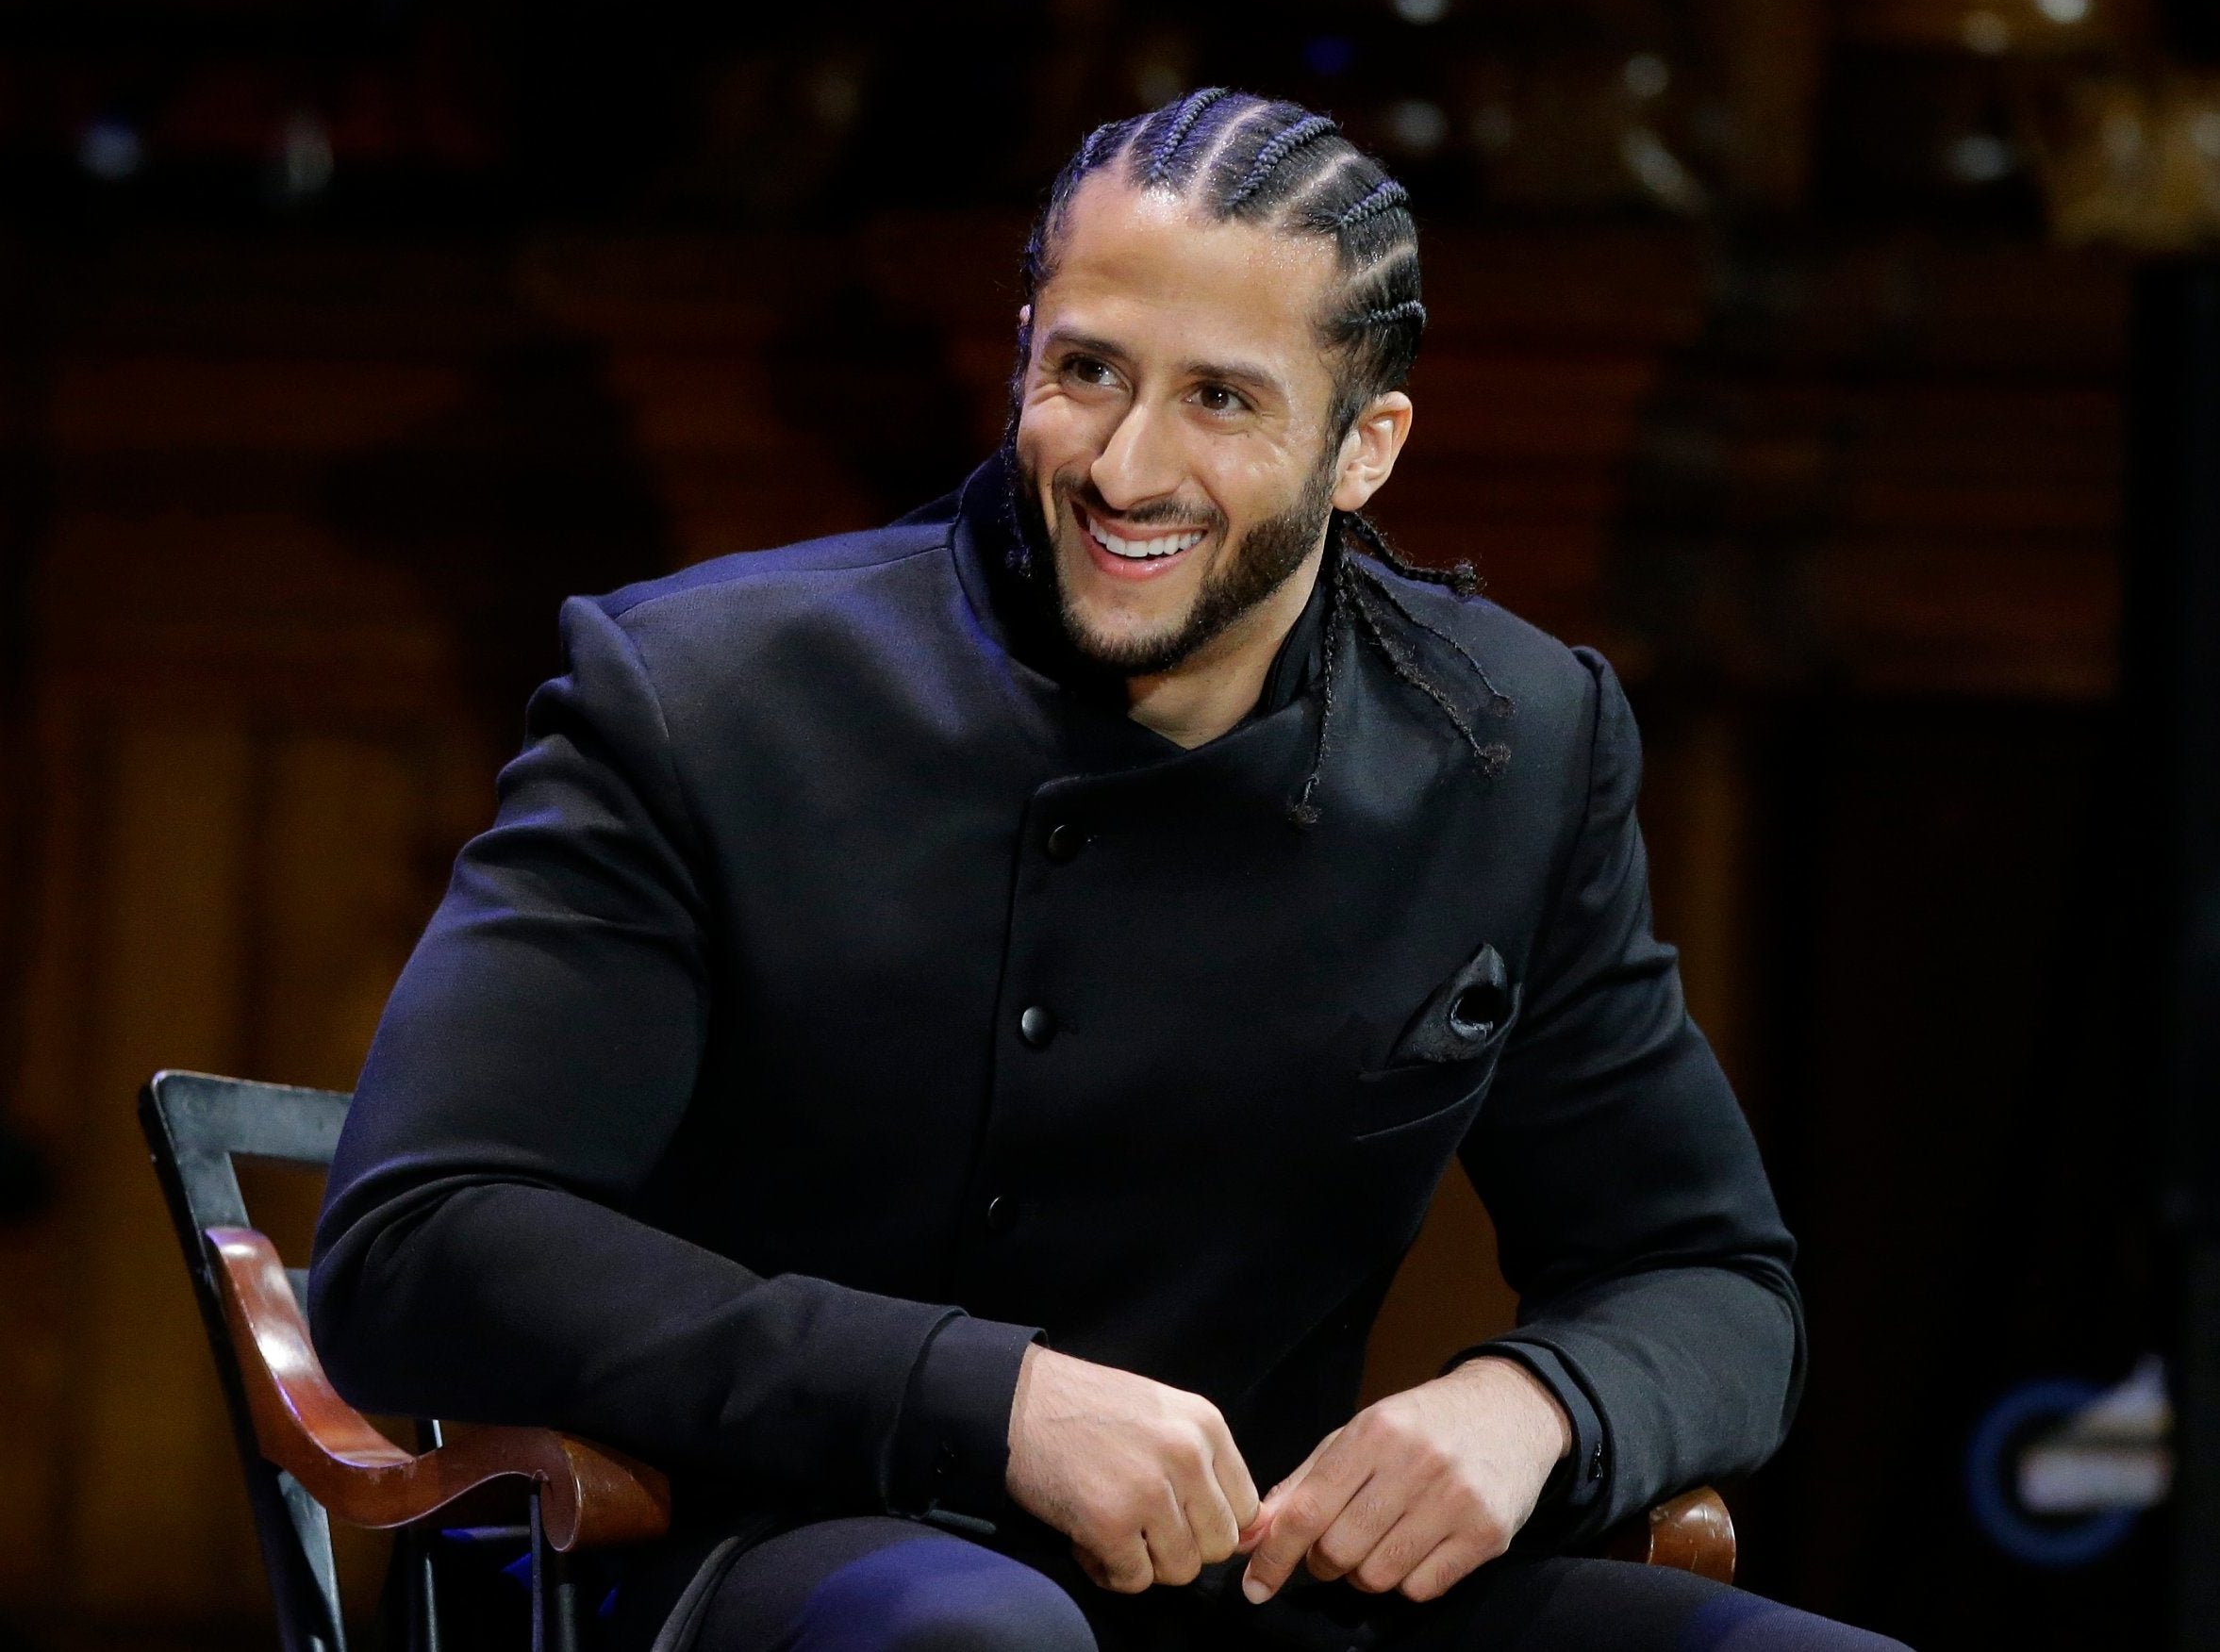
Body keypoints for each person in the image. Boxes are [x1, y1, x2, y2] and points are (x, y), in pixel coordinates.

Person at [309, 90, 1907, 1651]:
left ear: (1365, 450)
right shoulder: (706, 697)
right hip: (735, 1546)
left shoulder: (1513, 743)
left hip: (1249, 1584)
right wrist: (985, 1396)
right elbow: (423, 1239)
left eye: (1221, 398)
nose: (1126, 466)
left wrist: (1534, 1402)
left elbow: (1708, 1278)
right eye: (1085, 370)